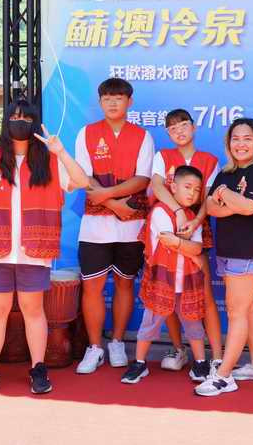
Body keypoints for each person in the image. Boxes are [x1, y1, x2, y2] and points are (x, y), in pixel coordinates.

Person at [0, 99, 89, 398]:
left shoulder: (49, 160)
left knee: (33, 310)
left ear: (35, 123)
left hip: (34, 249)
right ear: (6, 122)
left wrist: (61, 152)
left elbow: (81, 181)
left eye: (26, 118)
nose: (20, 122)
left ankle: (38, 368)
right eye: (14, 117)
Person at [73, 77, 155, 374]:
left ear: (129, 102)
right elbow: (83, 177)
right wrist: (114, 204)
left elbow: (142, 179)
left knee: (124, 283)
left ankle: (118, 342)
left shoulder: (142, 136)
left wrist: (107, 195)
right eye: (107, 98)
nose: (112, 102)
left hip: (131, 227)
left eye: (118, 98)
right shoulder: (87, 133)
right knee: (92, 287)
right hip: (94, 227)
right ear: (100, 102)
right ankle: (95, 347)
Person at [195, 118, 253, 397]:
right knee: (248, 309)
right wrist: (233, 203)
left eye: (247, 138)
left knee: (237, 312)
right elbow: (210, 207)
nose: (241, 144)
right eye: (235, 139)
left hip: (251, 252)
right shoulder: (226, 171)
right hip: (229, 251)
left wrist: (226, 196)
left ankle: (224, 376)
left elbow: (250, 207)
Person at [149, 108, 223, 371]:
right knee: (169, 294)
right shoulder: (162, 156)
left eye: (183, 125)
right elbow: (157, 186)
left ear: (194, 127)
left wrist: (195, 222)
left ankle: (216, 356)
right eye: (172, 128)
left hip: (196, 233)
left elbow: (210, 198)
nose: (179, 131)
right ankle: (179, 349)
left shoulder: (210, 160)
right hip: (167, 233)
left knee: (205, 295)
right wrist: (179, 212)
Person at [121, 165, 209, 384]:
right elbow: (169, 241)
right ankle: (139, 362)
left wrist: (187, 247)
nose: (192, 193)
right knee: (149, 324)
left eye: (197, 190)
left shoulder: (193, 217)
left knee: (194, 324)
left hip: (187, 283)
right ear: (173, 187)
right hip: (161, 281)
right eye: (187, 187)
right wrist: (188, 248)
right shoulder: (160, 211)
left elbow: (197, 248)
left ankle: (200, 362)